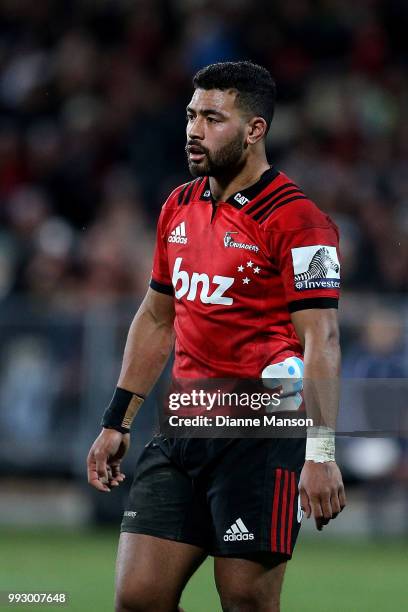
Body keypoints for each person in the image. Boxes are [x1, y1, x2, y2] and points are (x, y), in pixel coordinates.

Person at [87, 61, 346, 612]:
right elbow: (157, 318)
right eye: (190, 115)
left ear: (255, 130)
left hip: (260, 434)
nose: (193, 130)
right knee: (137, 599)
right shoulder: (177, 206)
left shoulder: (303, 223)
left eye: (212, 118)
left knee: (245, 601)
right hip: (182, 427)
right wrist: (117, 420)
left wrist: (320, 453)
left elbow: (320, 339)